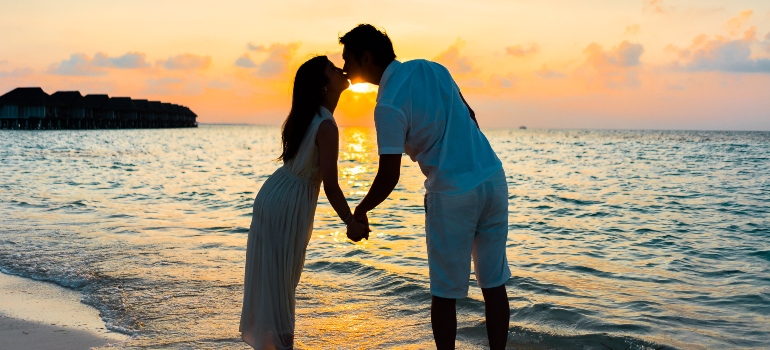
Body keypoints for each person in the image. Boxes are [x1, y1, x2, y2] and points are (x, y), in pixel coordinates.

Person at [340, 24, 511, 349]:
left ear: (366, 56)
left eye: (348, 59)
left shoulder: (388, 105)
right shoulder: (433, 69)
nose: (345, 68)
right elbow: (471, 114)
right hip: (492, 178)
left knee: (445, 295)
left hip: (451, 195)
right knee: (493, 285)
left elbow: (389, 176)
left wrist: (360, 210)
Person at [240, 55, 369, 350]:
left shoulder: (310, 118)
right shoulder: (326, 126)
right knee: (282, 290)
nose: (341, 69)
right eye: (333, 68)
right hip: (288, 204)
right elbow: (332, 186)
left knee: (278, 289)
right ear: (324, 85)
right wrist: (351, 222)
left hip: (276, 196)